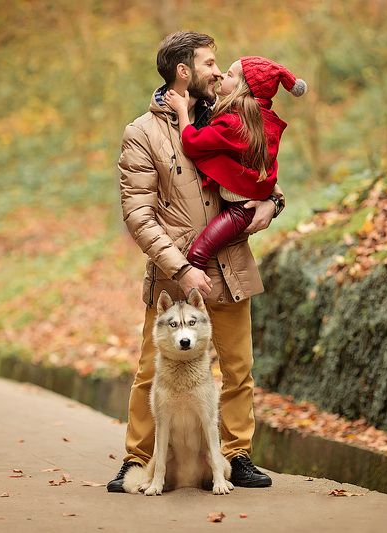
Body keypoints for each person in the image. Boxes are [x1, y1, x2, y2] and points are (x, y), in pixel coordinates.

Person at [108, 31, 286, 493]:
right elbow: (138, 214)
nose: (217, 69)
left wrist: (274, 203)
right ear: (183, 71)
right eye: (209, 62)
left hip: (231, 265)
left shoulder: (234, 114)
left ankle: (236, 455)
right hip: (175, 278)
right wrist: (183, 268)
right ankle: (137, 460)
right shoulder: (141, 133)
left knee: (238, 368)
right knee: (153, 370)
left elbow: (258, 170)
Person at [163, 57, 305, 269]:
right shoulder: (260, 119)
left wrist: (182, 110)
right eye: (210, 65)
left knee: (196, 257)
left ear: (242, 88)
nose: (221, 75)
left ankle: (191, 301)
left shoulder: (234, 122)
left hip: (240, 209)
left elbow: (192, 143)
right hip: (243, 203)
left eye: (229, 74)